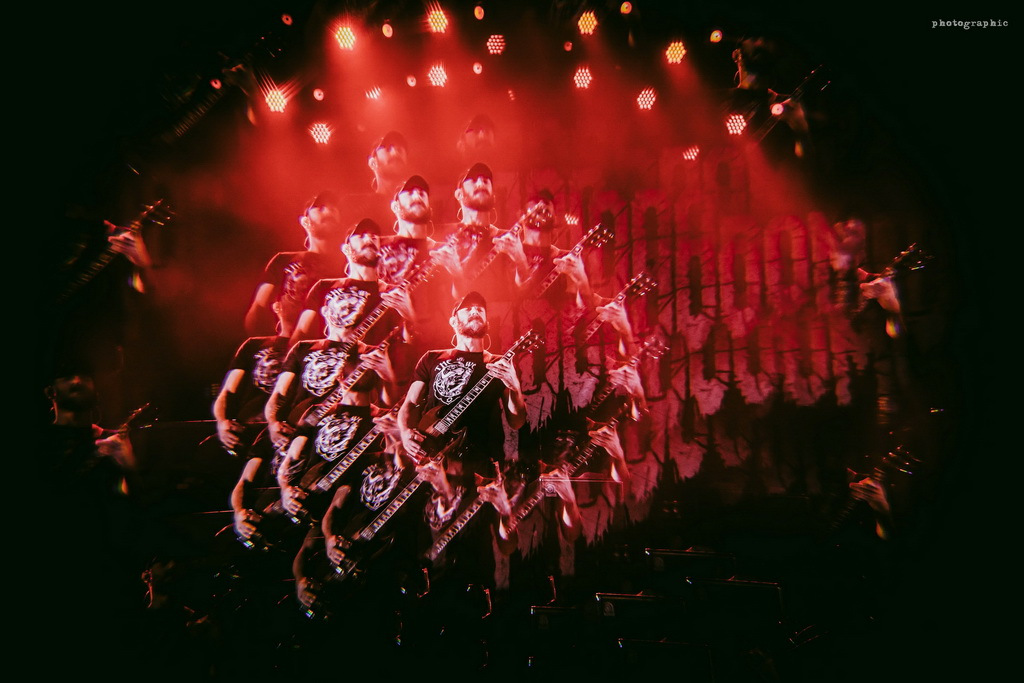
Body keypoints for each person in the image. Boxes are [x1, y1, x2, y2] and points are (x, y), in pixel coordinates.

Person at [397, 291, 527, 476]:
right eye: (467, 309)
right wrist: (404, 432)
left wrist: (514, 387)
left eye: (480, 309)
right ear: (453, 321)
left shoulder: (500, 364)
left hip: (477, 463)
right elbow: (410, 403)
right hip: (428, 452)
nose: (475, 311)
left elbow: (516, 422)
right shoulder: (432, 358)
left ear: (487, 322)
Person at [289, 218, 414, 347]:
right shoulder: (324, 287)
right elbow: (301, 332)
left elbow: (409, 344)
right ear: (346, 249)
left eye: (374, 237)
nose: (369, 239)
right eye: (360, 236)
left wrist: (409, 316)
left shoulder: (393, 294)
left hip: (372, 360)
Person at [244, 192, 347, 337]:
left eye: (333, 208)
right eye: (320, 208)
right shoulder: (283, 261)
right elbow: (259, 307)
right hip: (291, 345)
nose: (329, 211)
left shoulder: (351, 265)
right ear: (305, 221)